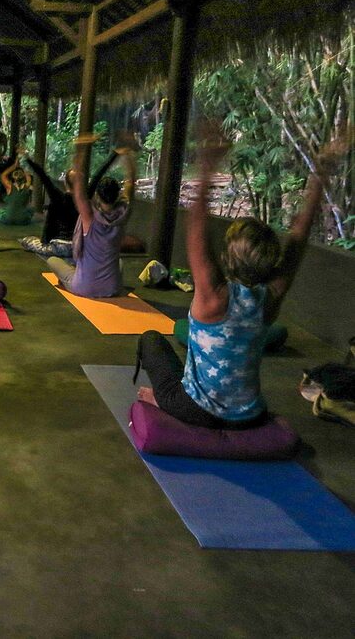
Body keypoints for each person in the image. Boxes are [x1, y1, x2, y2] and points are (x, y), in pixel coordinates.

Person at [134, 127, 343, 429]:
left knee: (151, 340)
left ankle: (164, 399)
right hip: (249, 416)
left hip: (197, 411)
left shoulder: (213, 297)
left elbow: (196, 231)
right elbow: (298, 239)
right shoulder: (269, 299)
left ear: (227, 257)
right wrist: (320, 175)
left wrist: (206, 165)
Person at [45, 133, 137, 298]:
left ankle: (73, 276)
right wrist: (129, 159)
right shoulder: (124, 213)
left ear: (98, 196)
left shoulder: (90, 217)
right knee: (119, 262)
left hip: (84, 287)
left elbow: (78, 189)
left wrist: (81, 149)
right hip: (113, 288)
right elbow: (131, 184)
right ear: (117, 196)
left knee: (52, 261)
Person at [0, 153, 34, 226]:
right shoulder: (27, 185)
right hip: (23, 220)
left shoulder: (9, 187)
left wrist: (15, 165)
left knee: (1, 211)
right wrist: (22, 166)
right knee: (31, 210)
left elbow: (3, 175)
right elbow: (28, 177)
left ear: (13, 178)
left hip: (8, 219)